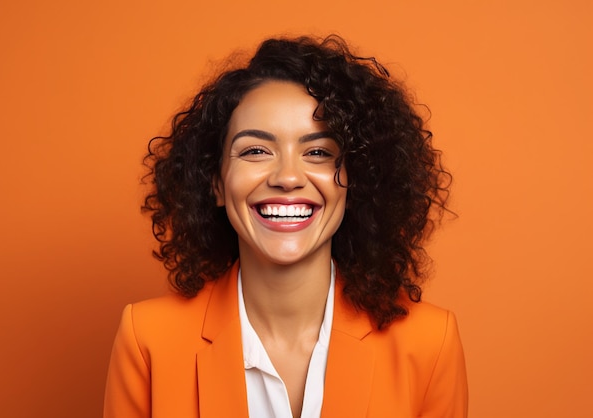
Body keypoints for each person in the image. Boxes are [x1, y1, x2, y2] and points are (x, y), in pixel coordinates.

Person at [104, 35, 468, 418]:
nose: (288, 177)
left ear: (357, 181)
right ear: (215, 182)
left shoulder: (429, 343)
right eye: (256, 151)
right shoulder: (147, 340)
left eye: (317, 152)